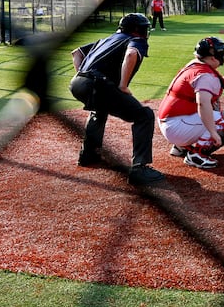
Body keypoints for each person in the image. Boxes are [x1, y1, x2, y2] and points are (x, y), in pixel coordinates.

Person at [69, 13, 164, 185]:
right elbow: (131, 54)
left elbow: (77, 53)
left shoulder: (107, 39)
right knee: (144, 115)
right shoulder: (136, 40)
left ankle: (88, 155)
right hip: (97, 84)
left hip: (77, 83)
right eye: (143, 27)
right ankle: (139, 169)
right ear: (136, 29)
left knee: (99, 109)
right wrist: (123, 85)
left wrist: (81, 75)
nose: (145, 30)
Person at [157, 37, 224, 169]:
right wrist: (213, 132)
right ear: (213, 58)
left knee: (213, 109)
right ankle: (197, 155)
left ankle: (181, 147)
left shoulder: (194, 65)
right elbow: (202, 104)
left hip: (169, 120)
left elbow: (204, 84)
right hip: (176, 126)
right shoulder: (205, 76)